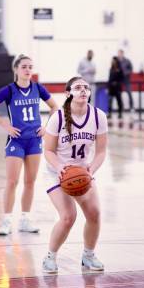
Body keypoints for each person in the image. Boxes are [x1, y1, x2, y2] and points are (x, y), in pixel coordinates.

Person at [0, 54, 58, 236]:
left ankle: (25, 219)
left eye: (30, 67)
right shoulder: (9, 90)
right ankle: (7, 220)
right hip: (16, 140)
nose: (28, 70)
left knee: (30, 182)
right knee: (12, 181)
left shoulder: (38, 88)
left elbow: (55, 107)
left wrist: (46, 126)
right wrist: (5, 125)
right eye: (24, 66)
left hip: (34, 140)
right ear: (16, 69)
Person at [42, 76, 108, 274]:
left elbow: (101, 152)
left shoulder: (98, 116)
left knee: (94, 213)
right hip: (57, 171)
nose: (83, 91)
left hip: (81, 171)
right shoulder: (58, 117)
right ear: (68, 93)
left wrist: (91, 169)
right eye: (78, 87)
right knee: (68, 216)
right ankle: (50, 257)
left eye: (86, 88)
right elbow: (48, 151)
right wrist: (61, 168)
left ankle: (88, 255)